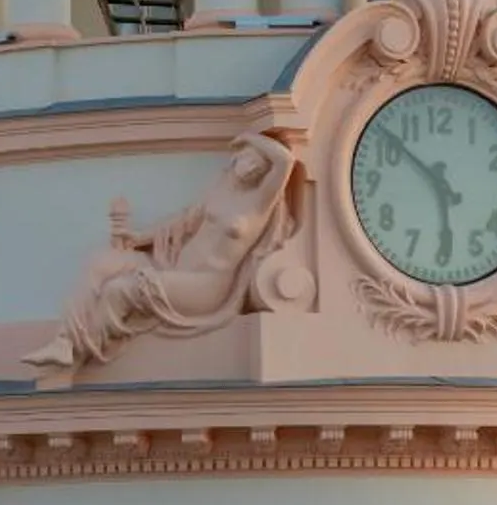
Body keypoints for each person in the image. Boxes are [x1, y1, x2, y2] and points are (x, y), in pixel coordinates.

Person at [25, 134, 296, 371]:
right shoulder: (218, 192)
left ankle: (77, 351)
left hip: (204, 286)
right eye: (247, 159)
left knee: (119, 290)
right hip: (173, 267)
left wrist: (250, 137)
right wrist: (140, 237)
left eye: (258, 167)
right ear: (234, 160)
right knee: (101, 263)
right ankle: (63, 340)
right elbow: (183, 222)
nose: (249, 168)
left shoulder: (258, 204)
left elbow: (284, 161)